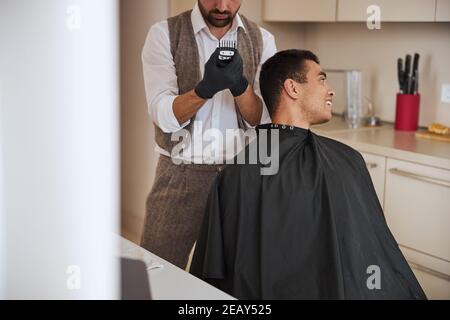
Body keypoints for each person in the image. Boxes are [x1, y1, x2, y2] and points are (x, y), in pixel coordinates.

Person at [190, 49, 427, 299]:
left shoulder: (235, 172)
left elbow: (214, 274)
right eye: (322, 79)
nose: (331, 90)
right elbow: (376, 255)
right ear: (293, 88)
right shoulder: (348, 160)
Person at [140, 0, 277, 269]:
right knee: (157, 267)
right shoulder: (164, 34)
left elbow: (263, 119)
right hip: (178, 176)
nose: (223, 6)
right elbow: (163, 114)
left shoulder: (263, 40)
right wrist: (204, 90)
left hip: (240, 177)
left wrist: (240, 86)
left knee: (234, 275)